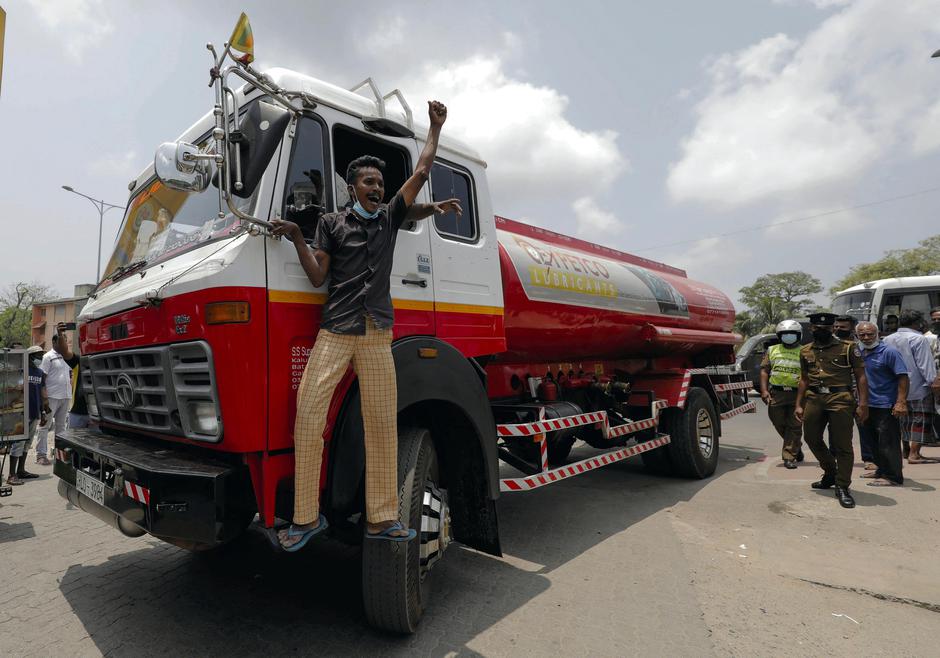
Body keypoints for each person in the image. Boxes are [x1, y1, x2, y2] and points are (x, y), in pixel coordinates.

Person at [270, 100, 460, 551]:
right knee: (308, 416)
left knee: (380, 425)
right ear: (352, 186)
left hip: (377, 335)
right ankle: (304, 519)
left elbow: (422, 170)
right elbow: (318, 276)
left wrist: (434, 128)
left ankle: (382, 519)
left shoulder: (392, 218)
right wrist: (296, 236)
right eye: (368, 181)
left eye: (380, 182)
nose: (376, 187)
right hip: (335, 330)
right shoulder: (331, 224)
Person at [795, 312, 868, 509]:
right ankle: (831, 472)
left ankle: (843, 486)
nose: (822, 331)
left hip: (840, 399)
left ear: (833, 328)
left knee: (842, 445)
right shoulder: (805, 351)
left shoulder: (848, 348)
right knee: (811, 438)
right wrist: (798, 404)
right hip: (814, 399)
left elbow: (861, 376)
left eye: (826, 328)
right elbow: (804, 379)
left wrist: (863, 404)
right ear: (811, 329)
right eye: (817, 328)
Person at [855, 322, 908, 487]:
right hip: (864, 404)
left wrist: (901, 402)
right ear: (857, 336)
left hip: (885, 404)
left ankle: (893, 476)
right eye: (862, 335)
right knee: (872, 442)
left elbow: (903, 377)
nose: (866, 337)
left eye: (870, 334)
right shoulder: (858, 353)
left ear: (877, 334)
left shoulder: (889, 352)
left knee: (888, 442)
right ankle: (881, 470)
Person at [883, 309, 938, 463]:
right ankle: (914, 454)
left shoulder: (888, 339)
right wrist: (933, 382)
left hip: (896, 387)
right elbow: (925, 365)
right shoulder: (919, 339)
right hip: (919, 386)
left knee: (902, 421)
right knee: (920, 420)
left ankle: (906, 451)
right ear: (918, 323)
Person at [759, 320, 804, 469]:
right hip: (777, 393)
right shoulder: (772, 350)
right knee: (778, 422)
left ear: (798, 335)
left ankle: (789, 456)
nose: (788, 337)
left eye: (792, 334)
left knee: (795, 426)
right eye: (785, 334)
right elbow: (765, 371)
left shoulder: (805, 351)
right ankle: (795, 446)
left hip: (797, 394)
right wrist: (764, 391)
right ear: (780, 335)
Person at [5, 346, 48, 485]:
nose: (40, 358)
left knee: (27, 443)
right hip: (21, 412)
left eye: (41, 355)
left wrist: (43, 412)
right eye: (38, 355)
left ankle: (21, 470)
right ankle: (11, 475)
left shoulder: (40, 373)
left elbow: (42, 394)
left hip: (35, 412)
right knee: (18, 443)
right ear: (29, 356)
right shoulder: (20, 371)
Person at [38, 328, 73, 466]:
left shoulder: (67, 357)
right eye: (61, 340)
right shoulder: (48, 357)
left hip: (65, 396)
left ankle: (59, 454)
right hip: (51, 397)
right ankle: (41, 455)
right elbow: (42, 379)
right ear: (54, 342)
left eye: (65, 340)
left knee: (61, 427)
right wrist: (44, 398)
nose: (64, 342)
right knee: (44, 426)